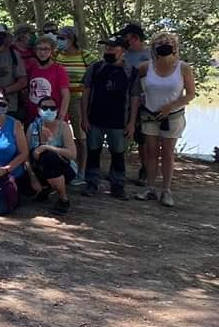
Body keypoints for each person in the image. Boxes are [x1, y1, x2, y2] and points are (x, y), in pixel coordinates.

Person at [134, 32, 195, 207]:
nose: (164, 44)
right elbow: (135, 89)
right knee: (151, 152)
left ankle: (166, 191)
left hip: (173, 116)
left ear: (175, 46)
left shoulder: (183, 68)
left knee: (167, 153)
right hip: (150, 115)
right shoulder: (146, 67)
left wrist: (171, 106)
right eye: (160, 42)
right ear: (153, 47)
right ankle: (150, 188)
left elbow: (191, 94)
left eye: (168, 42)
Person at [81, 37, 138, 199]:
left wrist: (132, 122)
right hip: (95, 119)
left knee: (118, 154)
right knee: (93, 152)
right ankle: (91, 183)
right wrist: (84, 117)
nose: (108, 51)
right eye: (106, 48)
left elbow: (134, 98)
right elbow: (85, 94)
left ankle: (118, 185)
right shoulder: (95, 68)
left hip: (119, 121)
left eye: (112, 49)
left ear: (123, 51)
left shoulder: (131, 71)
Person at [54, 26, 94, 183]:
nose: (59, 41)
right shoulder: (56, 54)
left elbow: (95, 73)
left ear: (72, 39)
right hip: (58, 99)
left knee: (80, 136)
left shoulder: (85, 56)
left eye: (63, 38)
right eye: (59, 37)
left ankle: (82, 171)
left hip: (78, 99)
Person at [26, 96, 76, 214]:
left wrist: (48, 147)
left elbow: (72, 154)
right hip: (38, 168)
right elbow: (26, 154)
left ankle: (63, 199)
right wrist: (32, 177)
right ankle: (46, 188)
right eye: (45, 107)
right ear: (38, 110)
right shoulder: (32, 127)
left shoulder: (63, 127)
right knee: (25, 189)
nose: (49, 111)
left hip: (64, 169)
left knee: (49, 157)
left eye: (53, 108)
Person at [115, 22, 151, 186]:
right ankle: (118, 170)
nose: (124, 40)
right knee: (123, 135)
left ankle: (146, 171)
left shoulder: (152, 55)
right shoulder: (123, 55)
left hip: (147, 103)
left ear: (135, 38)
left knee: (144, 139)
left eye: (126, 37)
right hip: (124, 103)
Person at [25, 36, 70, 123]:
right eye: (39, 49)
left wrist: (60, 117)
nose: (42, 52)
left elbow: (66, 95)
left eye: (46, 49)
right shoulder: (31, 68)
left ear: (52, 51)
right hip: (33, 117)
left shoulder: (59, 69)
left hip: (52, 116)